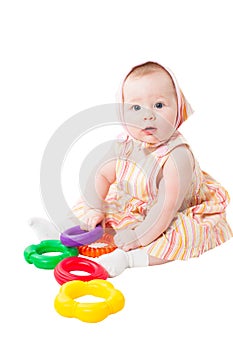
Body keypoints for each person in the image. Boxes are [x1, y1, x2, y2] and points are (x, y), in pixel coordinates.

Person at [29, 61, 233, 277]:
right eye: (136, 108)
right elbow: (101, 175)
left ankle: (128, 258)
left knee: (182, 234)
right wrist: (95, 208)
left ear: (178, 108)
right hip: (136, 203)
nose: (148, 115)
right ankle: (63, 235)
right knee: (92, 206)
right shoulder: (125, 144)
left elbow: (165, 207)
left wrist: (138, 237)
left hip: (174, 211)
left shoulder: (176, 157)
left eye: (159, 105)